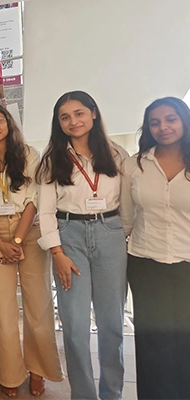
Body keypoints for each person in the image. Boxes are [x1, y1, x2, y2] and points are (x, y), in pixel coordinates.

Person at [36, 91, 127, 400]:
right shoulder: (52, 160)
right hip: (69, 237)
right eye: (65, 117)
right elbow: (46, 211)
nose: (73, 121)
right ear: (58, 123)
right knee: (74, 327)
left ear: (93, 113)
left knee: (112, 324)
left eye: (79, 113)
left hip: (110, 233)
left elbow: (128, 203)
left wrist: (120, 234)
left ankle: (112, 393)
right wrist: (57, 252)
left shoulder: (117, 154)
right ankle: (84, 395)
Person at [0, 105, 63, 397]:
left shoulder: (29, 155)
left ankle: (38, 370)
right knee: (2, 308)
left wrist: (18, 241)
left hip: (29, 230)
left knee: (38, 305)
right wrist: (1, 244)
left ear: (9, 123)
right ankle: (9, 373)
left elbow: (35, 200)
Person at [120, 97, 190, 400]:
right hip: (146, 262)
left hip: (187, 262)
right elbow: (126, 218)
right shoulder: (135, 165)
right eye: (155, 122)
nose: (163, 127)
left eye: (170, 119)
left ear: (184, 120)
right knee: (152, 343)